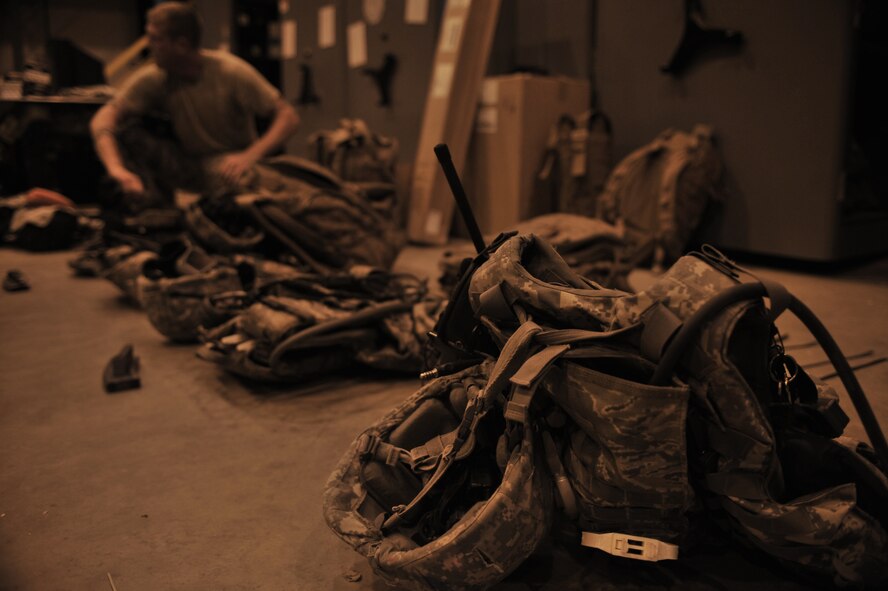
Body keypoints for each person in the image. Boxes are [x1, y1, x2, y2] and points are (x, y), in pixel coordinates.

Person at [90, 1, 300, 209]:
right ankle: (154, 210)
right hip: (190, 165)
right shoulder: (156, 77)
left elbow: (288, 116)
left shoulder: (230, 71)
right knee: (128, 131)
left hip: (230, 166)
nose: (149, 46)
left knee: (256, 184)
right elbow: (104, 117)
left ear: (181, 45)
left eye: (156, 39)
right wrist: (117, 169)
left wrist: (250, 156)